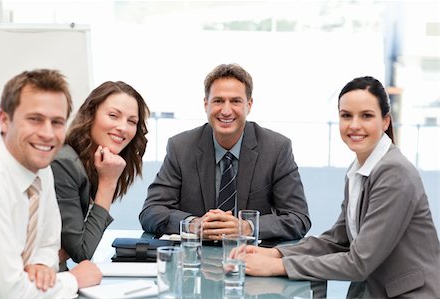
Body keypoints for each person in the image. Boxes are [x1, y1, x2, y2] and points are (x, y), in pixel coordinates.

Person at [243, 76, 440, 298]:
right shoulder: (359, 170)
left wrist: (279, 266)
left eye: (366, 116)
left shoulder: (394, 172)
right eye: (346, 115)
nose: (354, 125)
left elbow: (359, 263)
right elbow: (338, 240)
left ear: (385, 121)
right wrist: (276, 254)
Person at [140, 63, 311, 241]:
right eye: (218, 101)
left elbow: (298, 218)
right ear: (206, 104)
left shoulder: (276, 148)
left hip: (252, 259)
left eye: (236, 101)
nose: (226, 111)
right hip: (194, 258)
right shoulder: (181, 147)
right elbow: (151, 211)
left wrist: (248, 227)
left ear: (249, 105)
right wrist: (193, 224)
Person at [0, 69, 102, 298]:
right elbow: (9, 292)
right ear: (4, 119)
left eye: (57, 122)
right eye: (35, 119)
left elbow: (49, 244)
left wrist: (40, 265)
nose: (48, 134)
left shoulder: (42, 173)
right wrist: (74, 280)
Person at [51, 81, 149, 270]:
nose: (123, 127)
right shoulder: (64, 163)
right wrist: (108, 182)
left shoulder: (90, 163)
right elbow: (82, 252)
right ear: (91, 114)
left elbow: (75, 248)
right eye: (113, 116)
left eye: (132, 121)